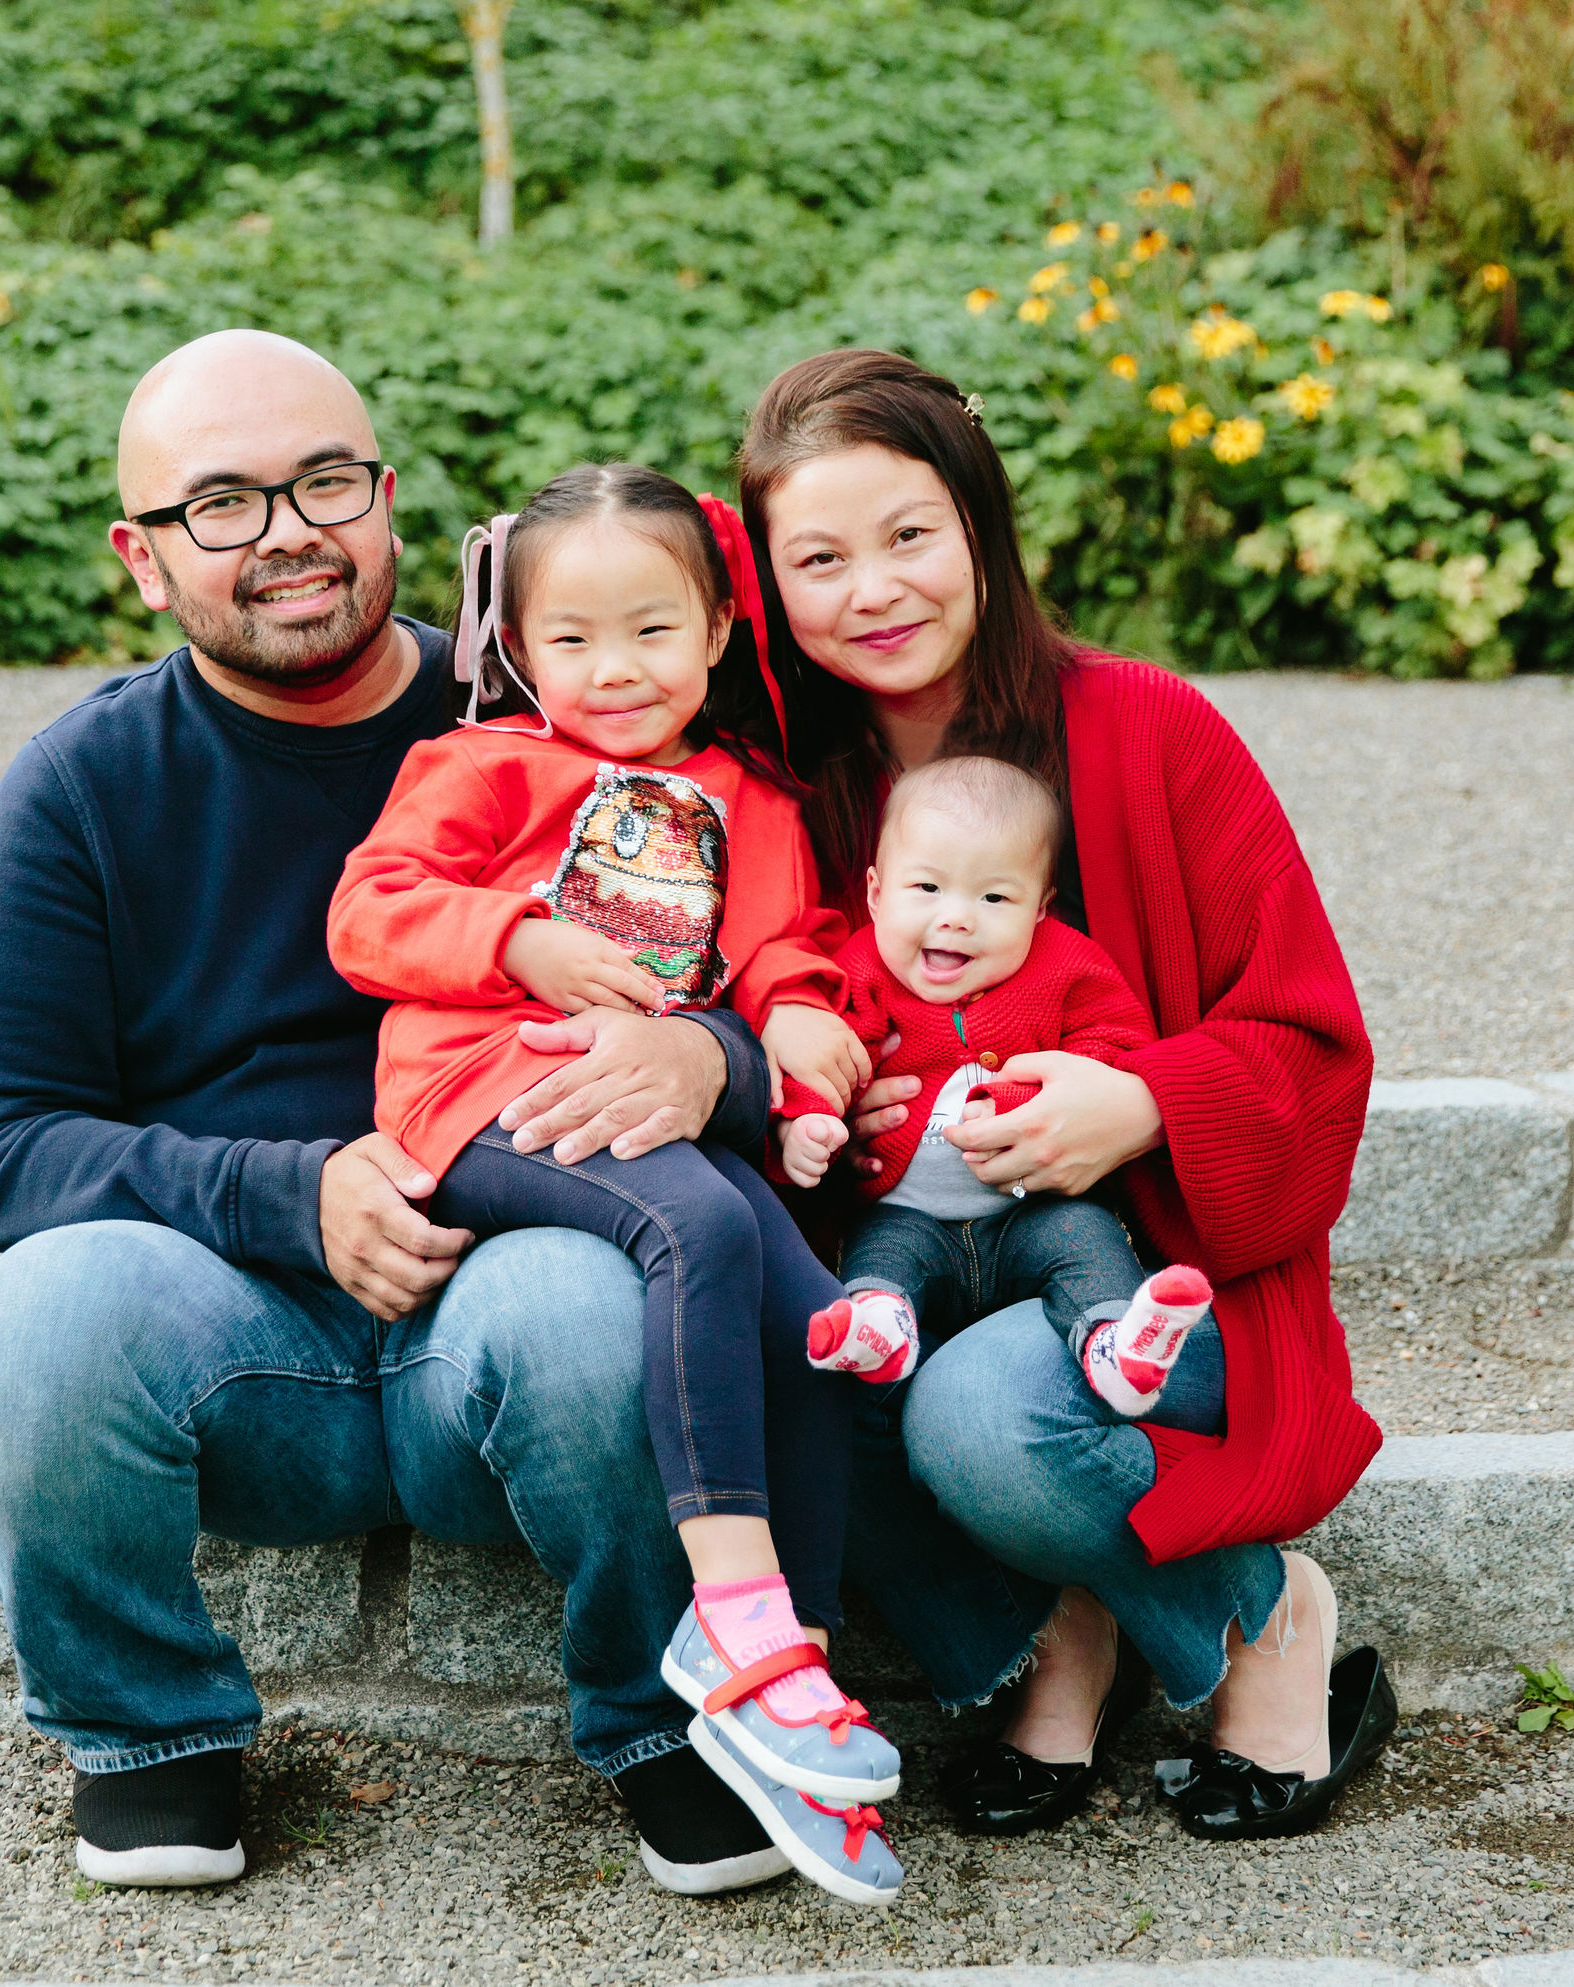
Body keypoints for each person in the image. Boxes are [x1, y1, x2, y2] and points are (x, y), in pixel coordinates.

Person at [0, 330, 798, 1898]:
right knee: (40, 1321)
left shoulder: (566, 713)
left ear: (388, 500)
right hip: (233, 1330)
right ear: (141, 558)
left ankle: (665, 1719)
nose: (285, 532)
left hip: (520, 1288)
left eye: (322, 480)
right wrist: (293, 1191)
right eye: (221, 503)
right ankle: (151, 1734)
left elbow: (774, 944)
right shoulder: (85, 783)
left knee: (608, 1309)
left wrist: (722, 1064)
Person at [739, 347, 1399, 1844]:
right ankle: (1068, 1625)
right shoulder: (786, 785)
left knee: (982, 1414)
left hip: (1157, 1280)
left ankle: (1262, 1616)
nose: (874, 588)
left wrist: (1146, 1099)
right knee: (773, 1348)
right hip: (906, 1245)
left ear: (981, 517)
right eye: (819, 557)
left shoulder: (1152, 729)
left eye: (910, 533)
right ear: (770, 584)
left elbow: (1314, 1038)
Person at [328, 461, 901, 1905]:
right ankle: (737, 1625)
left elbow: (781, 950)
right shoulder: (478, 767)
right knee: (701, 1216)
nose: (614, 669)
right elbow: (369, 907)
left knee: (815, 1317)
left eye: (652, 629)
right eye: (570, 637)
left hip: (656, 1112)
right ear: (516, 642)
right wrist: (515, 937)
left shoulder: (743, 796)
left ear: (718, 626)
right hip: (481, 1089)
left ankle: (800, 1692)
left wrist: (802, 1030)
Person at [797, 754, 1218, 1422]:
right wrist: (815, 1121)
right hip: (909, 1212)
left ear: (1041, 908)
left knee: (1086, 1239)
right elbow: (827, 1054)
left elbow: (1119, 1043)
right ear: (876, 892)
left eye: (994, 897)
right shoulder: (862, 968)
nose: (957, 917)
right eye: (926, 888)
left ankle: (1118, 1341)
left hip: (1030, 1208)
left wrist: (1061, 1093)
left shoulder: (1067, 966)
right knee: (880, 1251)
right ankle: (879, 1326)